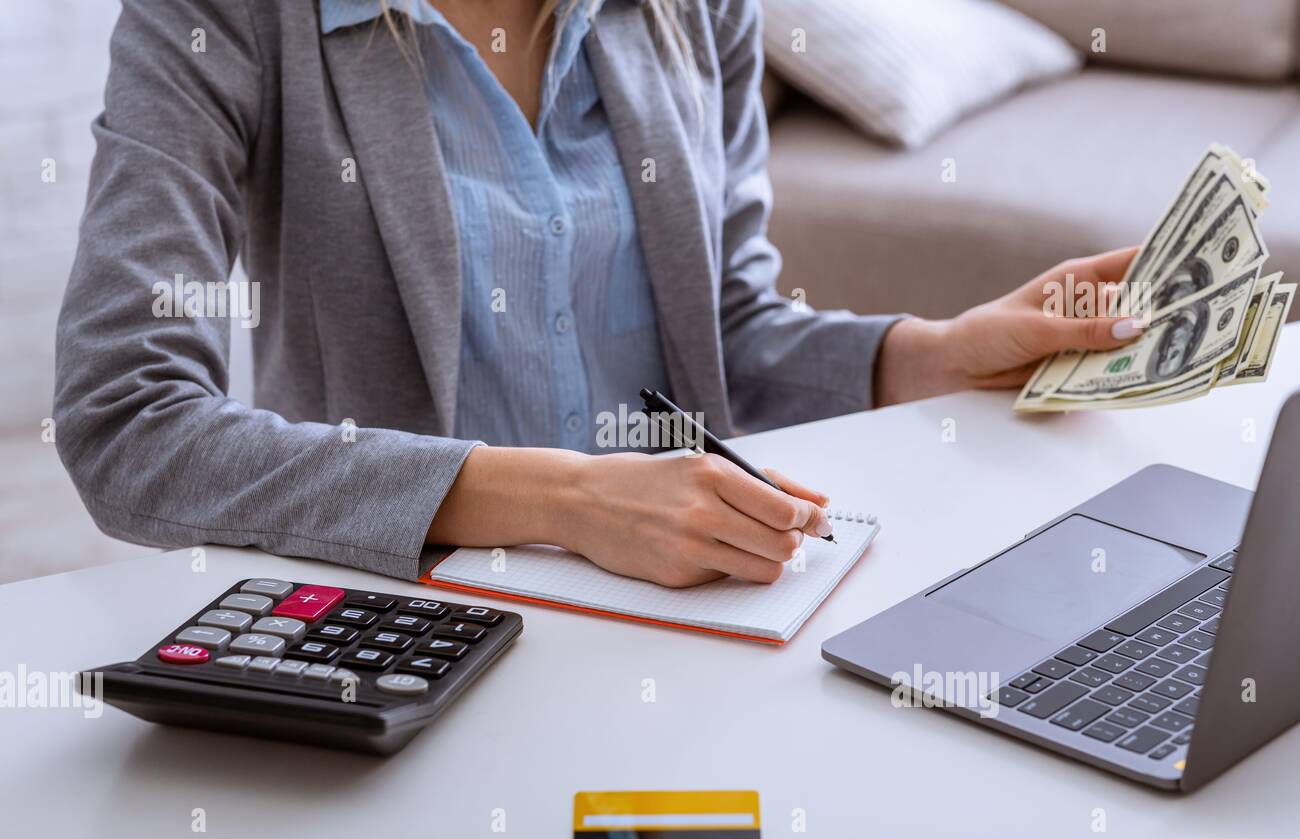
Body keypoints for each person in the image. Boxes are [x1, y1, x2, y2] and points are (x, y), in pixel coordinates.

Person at [54, 0, 1140, 588]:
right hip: (395, 617)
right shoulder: (219, 21)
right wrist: (568, 502)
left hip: (688, 600)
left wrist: (933, 352)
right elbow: (128, 425)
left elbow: (719, 331)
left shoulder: (692, 11)